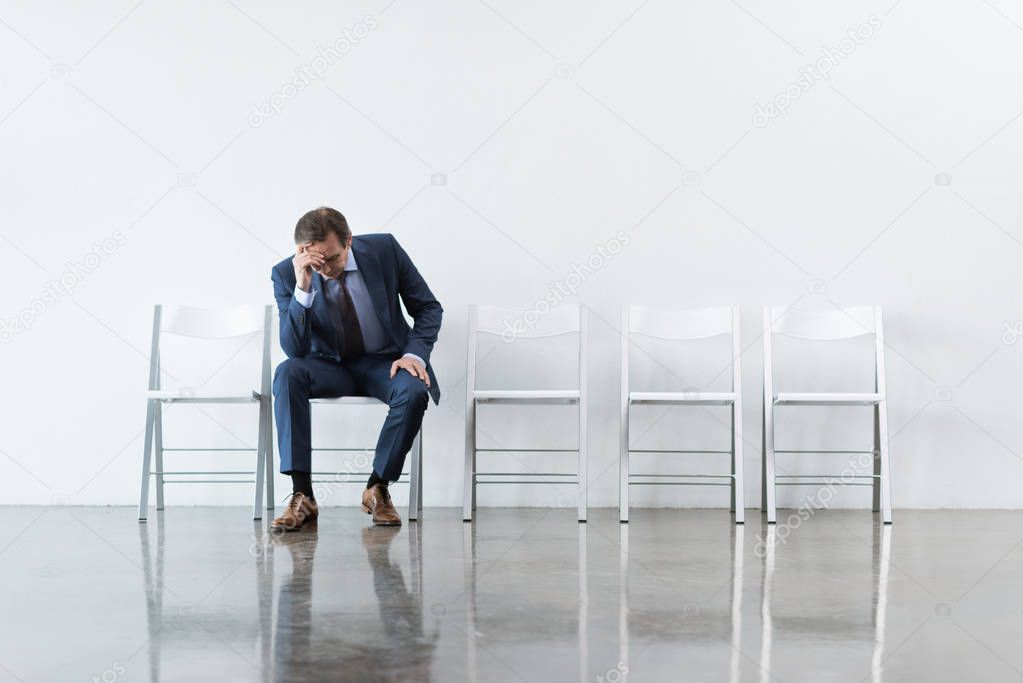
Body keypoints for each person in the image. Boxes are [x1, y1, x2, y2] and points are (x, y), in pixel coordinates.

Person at [269, 207, 441, 530]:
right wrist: (303, 286)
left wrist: (414, 355)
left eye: (332, 259)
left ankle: (378, 487)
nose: (327, 270)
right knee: (287, 372)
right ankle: (302, 494)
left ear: (348, 240)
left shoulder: (384, 251)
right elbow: (294, 349)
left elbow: (429, 308)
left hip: (385, 362)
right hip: (328, 366)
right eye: (316, 263)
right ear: (302, 253)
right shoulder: (286, 274)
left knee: (414, 388)